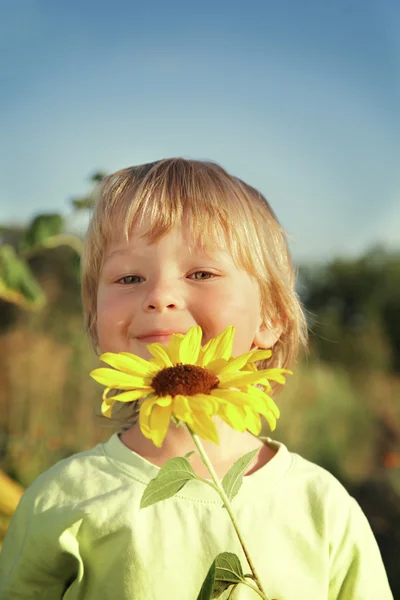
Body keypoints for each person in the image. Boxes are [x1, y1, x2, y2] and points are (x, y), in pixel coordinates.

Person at [0, 159, 393, 599]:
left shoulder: (323, 508)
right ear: (95, 324)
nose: (160, 297)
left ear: (272, 317)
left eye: (201, 273)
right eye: (129, 277)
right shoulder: (61, 500)